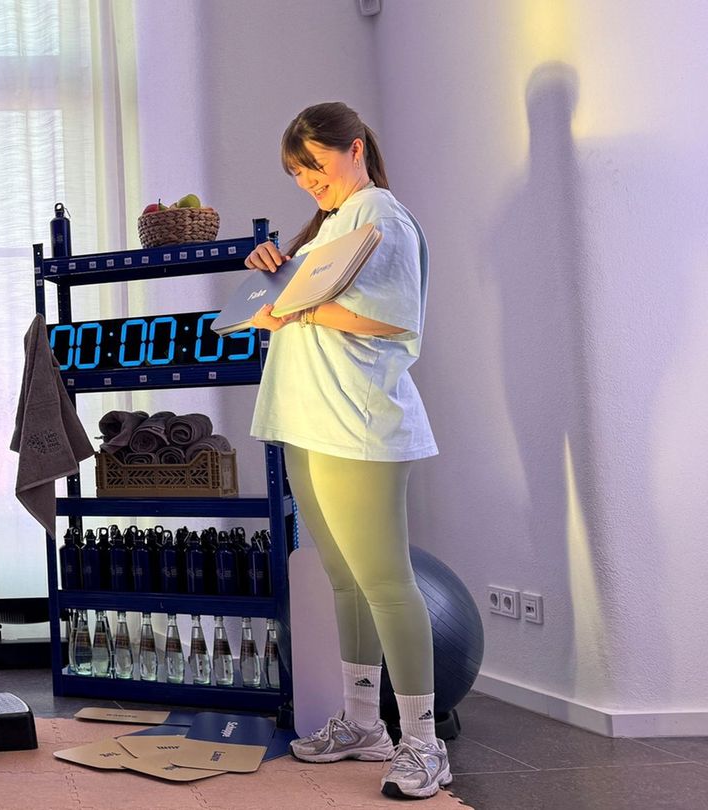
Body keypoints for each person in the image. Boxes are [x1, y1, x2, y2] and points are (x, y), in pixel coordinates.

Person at [245, 102, 448, 800]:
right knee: (344, 580)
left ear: (354, 148)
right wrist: (277, 272)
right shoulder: (334, 225)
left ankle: (424, 743)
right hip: (310, 421)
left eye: (314, 163)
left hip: (357, 425)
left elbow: (393, 318)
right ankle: (365, 723)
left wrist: (297, 302)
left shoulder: (381, 216)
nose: (306, 179)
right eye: (296, 171)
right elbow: (307, 310)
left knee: (385, 581)